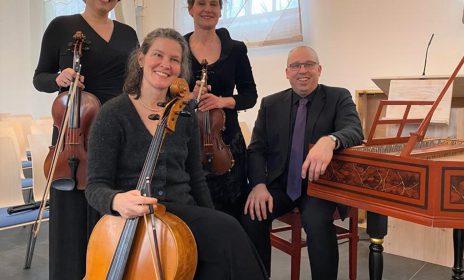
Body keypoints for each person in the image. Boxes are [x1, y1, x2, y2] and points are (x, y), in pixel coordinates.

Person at [85, 27, 268, 280]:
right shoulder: (112, 114)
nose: (165, 65)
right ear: (141, 58)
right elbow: (95, 186)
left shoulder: (183, 116)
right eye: (158, 55)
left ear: (181, 68)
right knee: (227, 232)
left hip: (181, 212)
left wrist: (211, 218)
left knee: (225, 236)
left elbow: (196, 178)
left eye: (174, 59)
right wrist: (117, 201)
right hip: (135, 217)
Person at [32, 0, 138, 279]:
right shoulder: (61, 27)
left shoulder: (128, 34)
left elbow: (135, 84)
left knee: (111, 214)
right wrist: (58, 78)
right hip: (73, 136)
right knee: (71, 217)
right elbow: (39, 78)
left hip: (117, 133)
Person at [240, 46, 364, 280]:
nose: (302, 70)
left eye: (308, 64)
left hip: (320, 187)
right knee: (251, 216)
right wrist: (258, 185)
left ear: (319, 69)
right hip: (281, 185)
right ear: (287, 72)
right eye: (296, 66)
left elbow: (355, 130)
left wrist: (330, 140)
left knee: (317, 222)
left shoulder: (338, 97)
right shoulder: (270, 104)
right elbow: (256, 149)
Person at [184, 0, 258, 218]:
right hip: (188, 141)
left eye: (214, 4)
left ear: (220, 10)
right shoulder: (178, 48)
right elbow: (167, 92)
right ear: (190, 9)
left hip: (226, 143)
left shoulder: (235, 49)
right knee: (193, 210)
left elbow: (250, 96)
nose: (208, 9)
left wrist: (221, 102)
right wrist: (188, 96)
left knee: (231, 209)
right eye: (201, 3)